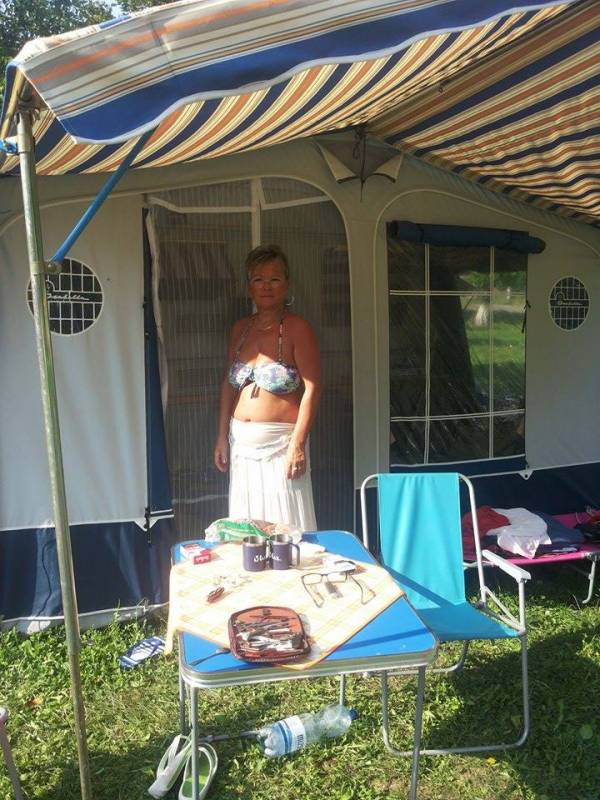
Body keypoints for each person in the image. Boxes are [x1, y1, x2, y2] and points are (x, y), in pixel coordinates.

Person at [214, 245, 320, 531]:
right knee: (248, 525)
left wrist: (298, 444)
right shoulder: (240, 330)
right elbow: (228, 385)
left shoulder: (298, 328)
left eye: (274, 279)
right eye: (258, 279)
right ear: (249, 286)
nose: (266, 287)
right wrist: (222, 436)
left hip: (281, 445)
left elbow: (312, 389)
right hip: (242, 444)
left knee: (286, 525)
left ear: (287, 284)